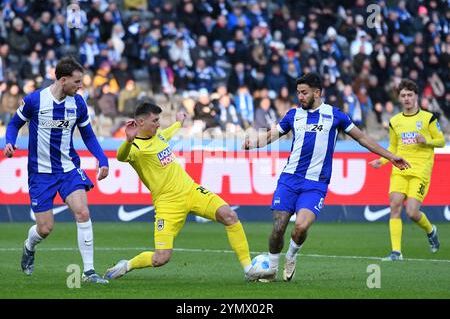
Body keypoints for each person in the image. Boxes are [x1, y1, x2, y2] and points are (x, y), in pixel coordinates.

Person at [242, 72, 410, 282]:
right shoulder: (293, 115)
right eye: (298, 93)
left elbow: (362, 138)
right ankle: (272, 269)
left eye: (304, 93)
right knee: (278, 228)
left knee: (300, 228)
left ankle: (291, 257)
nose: (300, 97)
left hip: (315, 184)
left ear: (317, 92)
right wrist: (253, 143)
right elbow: (269, 136)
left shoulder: (335, 115)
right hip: (289, 180)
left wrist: (391, 156)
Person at [104, 101, 266, 281]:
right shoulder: (135, 148)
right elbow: (121, 156)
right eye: (155, 120)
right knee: (161, 258)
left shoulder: (158, 136)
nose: (158, 124)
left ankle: (249, 269)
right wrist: (128, 140)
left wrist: (179, 122)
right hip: (168, 204)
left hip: (191, 190)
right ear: (141, 123)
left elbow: (168, 133)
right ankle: (127, 265)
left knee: (229, 216)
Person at [3, 57, 109, 283]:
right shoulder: (35, 100)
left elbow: (88, 135)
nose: (80, 86)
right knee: (45, 228)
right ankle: (29, 245)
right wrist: (9, 141)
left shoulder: (78, 103)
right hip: (40, 173)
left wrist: (102, 159)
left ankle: (89, 271)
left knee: (82, 212)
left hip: (68, 168)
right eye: (77, 82)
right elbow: (13, 124)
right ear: (63, 80)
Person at [369, 79, 444, 261]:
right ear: (399, 99)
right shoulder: (395, 121)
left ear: (416, 96)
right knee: (394, 204)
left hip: (420, 170)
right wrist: (382, 160)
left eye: (410, 95)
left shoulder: (428, 118)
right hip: (400, 168)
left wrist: (426, 140)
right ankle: (396, 252)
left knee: (411, 212)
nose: (407, 98)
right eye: (403, 95)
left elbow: (441, 141)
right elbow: (393, 147)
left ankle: (430, 230)